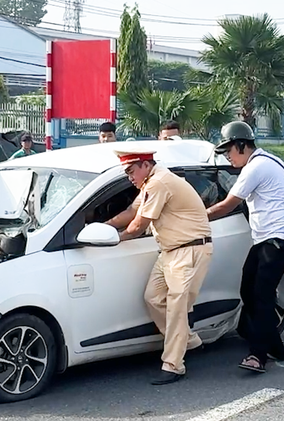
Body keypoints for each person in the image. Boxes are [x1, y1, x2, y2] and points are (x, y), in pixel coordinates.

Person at [106, 147, 213, 385]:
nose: (130, 178)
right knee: (153, 298)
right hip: (169, 252)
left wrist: (113, 239)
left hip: (188, 250)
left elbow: (138, 226)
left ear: (145, 164)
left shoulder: (159, 183)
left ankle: (173, 365)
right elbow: (132, 211)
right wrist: (104, 225)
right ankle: (190, 342)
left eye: (131, 171)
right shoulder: (150, 182)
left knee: (177, 308)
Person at [206, 121, 284, 374]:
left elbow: (227, 205)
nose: (227, 156)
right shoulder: (274, 161)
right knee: (249, 290)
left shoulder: (255, 167)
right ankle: (275, 348)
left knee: (261, 296)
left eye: (229, 151)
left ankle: (257, 355)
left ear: (241, 145)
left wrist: (197, 217)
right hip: (271, 238)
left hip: (277, 239)